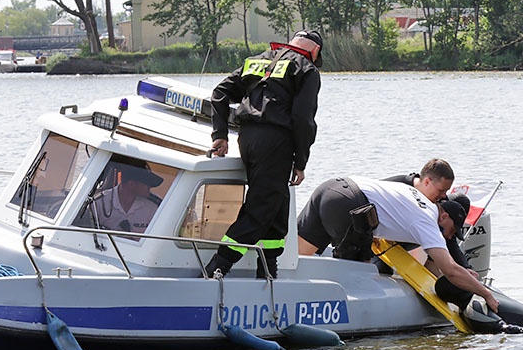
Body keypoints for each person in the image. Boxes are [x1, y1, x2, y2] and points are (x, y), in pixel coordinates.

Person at [204, 29, 323, 279]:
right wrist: (301, 161)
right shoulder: (307, 69)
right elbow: (303, 119)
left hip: (246, 138)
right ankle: (217, 266)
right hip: (275, 141)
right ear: (315, 52)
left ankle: (267, 269)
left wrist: (220, 135)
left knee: (278, 207)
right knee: (260, 208)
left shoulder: (256, 60)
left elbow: (219, 93)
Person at [297, 176, 499, 312]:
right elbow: (450, 269)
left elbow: (437, 266)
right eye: (452, 230)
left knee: (296, 257)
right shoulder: (427, 221)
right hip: (351, 203)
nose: (450, 235)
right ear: (444, 215)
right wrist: (486, 294)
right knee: (356, 273)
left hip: (331, 186)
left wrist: (463, 274)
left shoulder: (419, 196)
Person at [86, 162, 163, 236]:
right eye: (147, 184)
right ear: (131, 184)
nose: (150, 188)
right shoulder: (98, 203)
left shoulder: (153, 207)